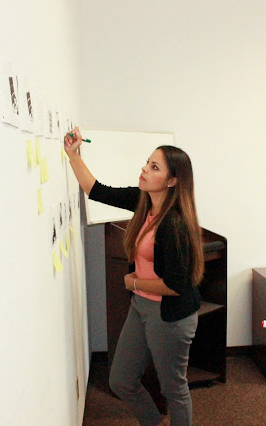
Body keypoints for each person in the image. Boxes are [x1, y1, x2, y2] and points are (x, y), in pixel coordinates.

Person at [64, 128, 204, 426]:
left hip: (171, 315)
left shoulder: (174, 224)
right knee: (121, 380)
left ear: (172, 180)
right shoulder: (143, 201)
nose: (144, 169)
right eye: (147, 162)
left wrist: (134, 282)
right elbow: (95, 190)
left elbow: (177, 286)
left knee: (173, 389)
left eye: (154, 167)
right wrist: (72, 154)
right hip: (142, 306)